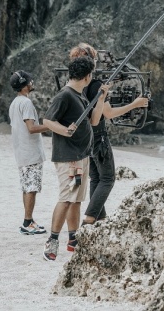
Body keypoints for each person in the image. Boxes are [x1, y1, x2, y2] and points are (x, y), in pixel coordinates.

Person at [69, 43, 149, 234]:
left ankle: (99, 218)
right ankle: (89, 220)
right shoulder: (95, 85)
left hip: (84, 137)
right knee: (108, 178)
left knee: (96, 177)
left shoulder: (74, 84)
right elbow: (109, 113)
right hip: (98, 137)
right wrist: (135, 103)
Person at [41, 56, 108, 261]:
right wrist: (64, 130)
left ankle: (73, 239)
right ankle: (52, 241)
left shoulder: (80, 96)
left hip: (81, 156)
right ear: (88, 76)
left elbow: (94, 121)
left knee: (76, 199)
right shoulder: (65, 95)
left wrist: (102, 97)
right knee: (67, 198)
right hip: (69, 159)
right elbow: (47, 120)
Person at [9, 70, 50, 235]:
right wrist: (52, 125)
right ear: (25, 84)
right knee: (31, 188)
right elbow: (32, 128)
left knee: (27, 187)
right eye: (30, 80)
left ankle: (29, 220)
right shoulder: (26, 103)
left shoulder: (15, 103)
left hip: (22, 152)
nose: (32, 82)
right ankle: (27, 222)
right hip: (30, 152)